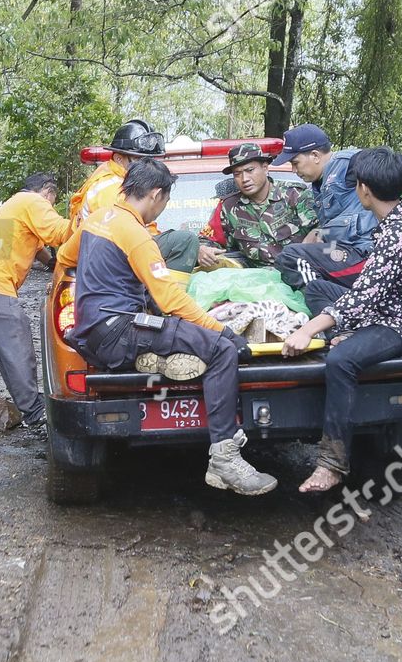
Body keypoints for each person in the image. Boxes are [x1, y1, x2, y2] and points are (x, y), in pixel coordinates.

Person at [72, 157, 277, 495]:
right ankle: (225, 460)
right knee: (222, 351)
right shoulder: (136, 235)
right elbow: (170, 300)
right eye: (165, 202)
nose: (161, 212)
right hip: (122, 331)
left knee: (180, 337)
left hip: (93, 334)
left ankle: (158, 360)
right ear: (155, 194)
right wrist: (221, 331)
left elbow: (66, 256)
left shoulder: (97, 221)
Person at [280, 148, 402, 492]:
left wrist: (308, 330)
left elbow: (366, 294)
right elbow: (372, 291)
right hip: (391, 308)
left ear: (364, 190)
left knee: (340, 360)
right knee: (320, 291)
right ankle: (351, 334)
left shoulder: (399, 230)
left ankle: (332, 464)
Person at [0, 173, 74, 426]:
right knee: (18, 348)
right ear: (47, 192)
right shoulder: (33, 203)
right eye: (52, 202)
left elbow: (36, 247)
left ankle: (30, 407)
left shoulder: (14, 204)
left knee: (7, 349)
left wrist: (52, 263)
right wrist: (93, 224)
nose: (51, 207)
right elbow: (59, 232)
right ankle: (35, 412)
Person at [269, 124, 402, 290]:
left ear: (315, 155)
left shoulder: (346, 163)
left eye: (295, 163)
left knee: (291, 256)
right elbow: (340, 220)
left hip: (367, 253)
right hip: (344, 252)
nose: (293, 170)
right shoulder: (319, 183)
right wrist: (319, 233)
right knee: (304, 270)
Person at [62, 118, 200, 273]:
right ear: (119, 158)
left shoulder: (116, 178)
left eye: (149, 160)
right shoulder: (113, 188)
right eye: (139, 160)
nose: (146, 166)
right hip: (109, 261)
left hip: (104, 257)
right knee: (185, 241)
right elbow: (133, 234)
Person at [197, 141, 318, 269]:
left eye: (250, 170)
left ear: (265, 168)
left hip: (301, 274)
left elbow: (324, 232)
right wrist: (202, 249)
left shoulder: (295, 195)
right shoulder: (228, 208)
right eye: (237, 174)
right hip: (256, 283)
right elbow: (207, 239)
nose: (244, 179)